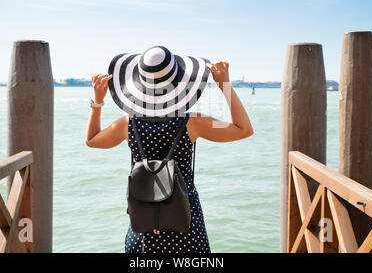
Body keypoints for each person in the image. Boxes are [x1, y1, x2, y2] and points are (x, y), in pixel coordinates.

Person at [86, 46, 254, 253]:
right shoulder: (193, 122)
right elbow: (243, 130)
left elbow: (92, 140)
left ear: (140, 85)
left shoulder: (127, 124)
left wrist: (98, 101)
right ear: (180, 85)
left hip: (144, 229)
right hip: (185, 226)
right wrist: (225, 85)